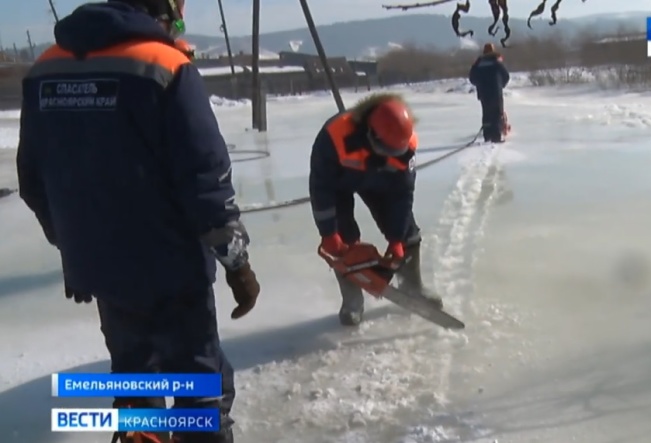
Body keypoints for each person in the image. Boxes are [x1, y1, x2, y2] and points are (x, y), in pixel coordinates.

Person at [16, 1, 261, 442]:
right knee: (199, 391)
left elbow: (34, 180)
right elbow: (204, 177)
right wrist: (237, 263)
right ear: (161, 11)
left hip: (103, 271)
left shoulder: (43, 69)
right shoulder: (164, 63)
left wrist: (74, 250)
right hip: (172, 267)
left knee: (135, 384)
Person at [308, 93, 443, 326]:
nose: (388, 155)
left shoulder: (405, 145)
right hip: (340, 184)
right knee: (344, 241)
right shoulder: (333, 137)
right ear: (370, 133)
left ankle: (413, 288)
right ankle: (352, 302)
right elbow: (321, 189)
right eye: (384, 149)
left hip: (383, 182)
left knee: (408, 232)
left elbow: (403, 194)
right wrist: (329, 234)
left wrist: (396, 239)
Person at [469, 43, 510, 143]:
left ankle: (487, 136)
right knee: (496, 114)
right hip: (496, 92)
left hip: (484, 94)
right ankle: (496, 137)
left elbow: (472, 78)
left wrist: (479, 84)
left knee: (487, 114)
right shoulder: (497, 63)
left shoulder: (478, 65)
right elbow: (506, 76)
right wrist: (501, 85)